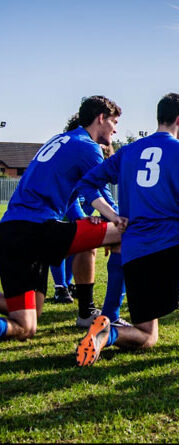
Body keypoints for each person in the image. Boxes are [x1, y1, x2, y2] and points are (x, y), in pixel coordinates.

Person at [75, 93, 179, 366]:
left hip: (135, 254)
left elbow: (86, 184)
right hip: (174, 247)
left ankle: (107, 333)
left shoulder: (128, 151)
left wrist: (112, 216)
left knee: (147, 335)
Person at [0, 96, 126, 343]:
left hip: (11, 231)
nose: (116, 128)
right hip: (36, 229)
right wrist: (116, 220)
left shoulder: (60, 139)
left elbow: (67, 197)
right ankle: (98, 313)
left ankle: (87, 310)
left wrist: (87, 221)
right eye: (114, 121)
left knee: (27, 325)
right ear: (101, 118)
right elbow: (97, 192)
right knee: (123, 232)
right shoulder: (87, 146)